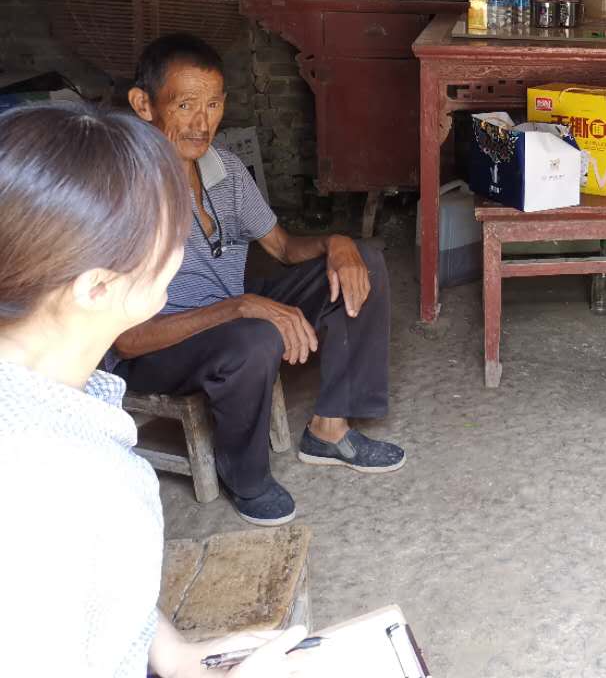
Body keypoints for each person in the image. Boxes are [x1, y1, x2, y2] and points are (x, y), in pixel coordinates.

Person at [0, 102, 308, 676]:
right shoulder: (58, 482)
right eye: (166, 232)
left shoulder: (54, 405)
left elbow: (99, 599)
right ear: (98, 287)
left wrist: (173, 654)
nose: (182, 248)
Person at [113, 34, 405, 527]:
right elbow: (128, 339)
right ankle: (246, 477)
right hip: (159, 347)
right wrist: (242, 307)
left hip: (233, 316)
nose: (201, 122)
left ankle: (330, 429)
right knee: (254, 336)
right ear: (144, 105)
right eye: (184, 105)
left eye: (212, 105)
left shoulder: (224, 169)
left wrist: (337, 242)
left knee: (364, 261)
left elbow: (284, 248)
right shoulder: (124, 189)